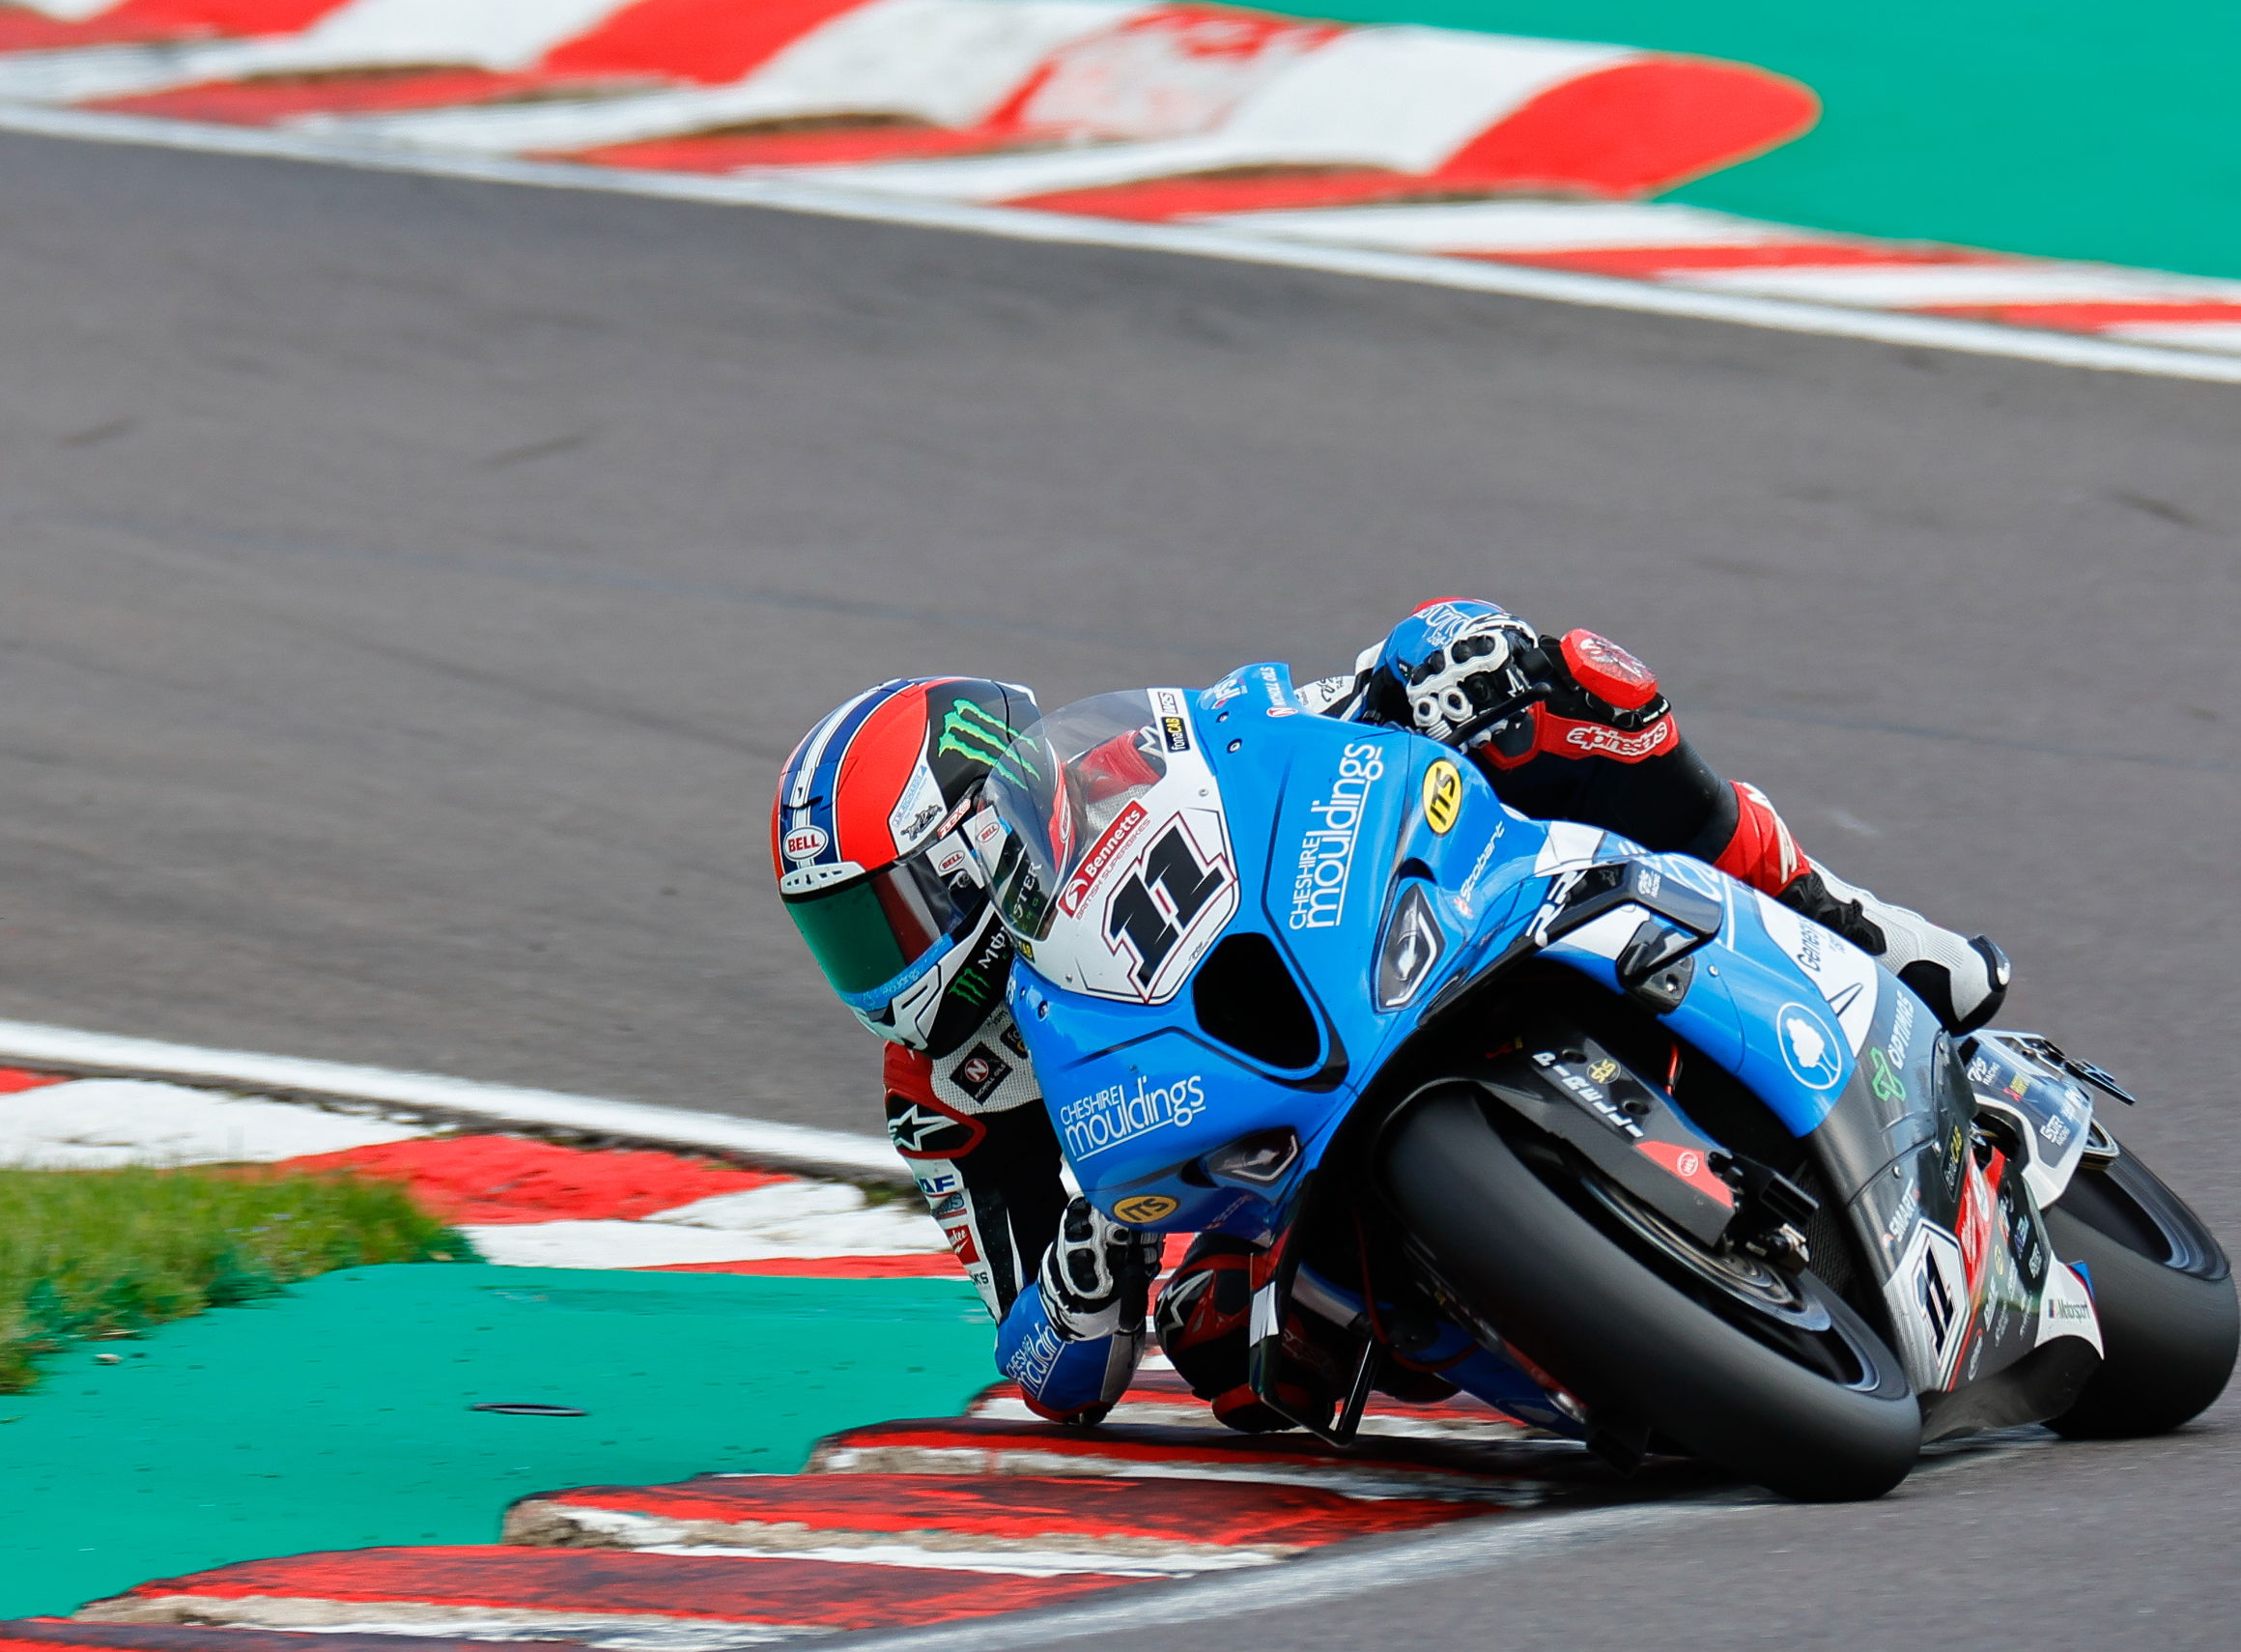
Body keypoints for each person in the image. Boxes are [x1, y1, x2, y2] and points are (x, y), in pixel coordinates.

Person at [770, 602, 2009, 1430]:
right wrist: (1085, 1274)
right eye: (843, 937)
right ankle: (1583, 1330)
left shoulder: (1118, 771)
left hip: (1345, 962)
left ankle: (1850, 925)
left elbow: (1269, 719)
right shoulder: (942, 1093)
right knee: (1225, 1349)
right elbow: (1050, 1372)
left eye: (885, 916)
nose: (880, 968)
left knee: (1564, 699)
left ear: (971, 843)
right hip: (1240, 1175)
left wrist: (1422, 670)